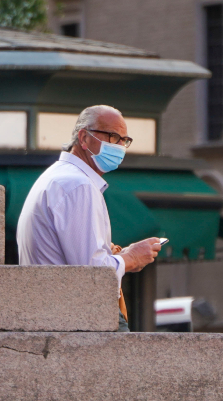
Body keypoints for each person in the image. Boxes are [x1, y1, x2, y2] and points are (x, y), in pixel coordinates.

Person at [15, 105, 164, 329]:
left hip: (56, 312)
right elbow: (92, 273)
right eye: (113, 136)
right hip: (77, 318)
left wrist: (122, 257)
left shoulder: (60, 177)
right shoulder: (78, 184)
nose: (120, 146)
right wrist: (131, 257)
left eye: (124, 140)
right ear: (84, 137)